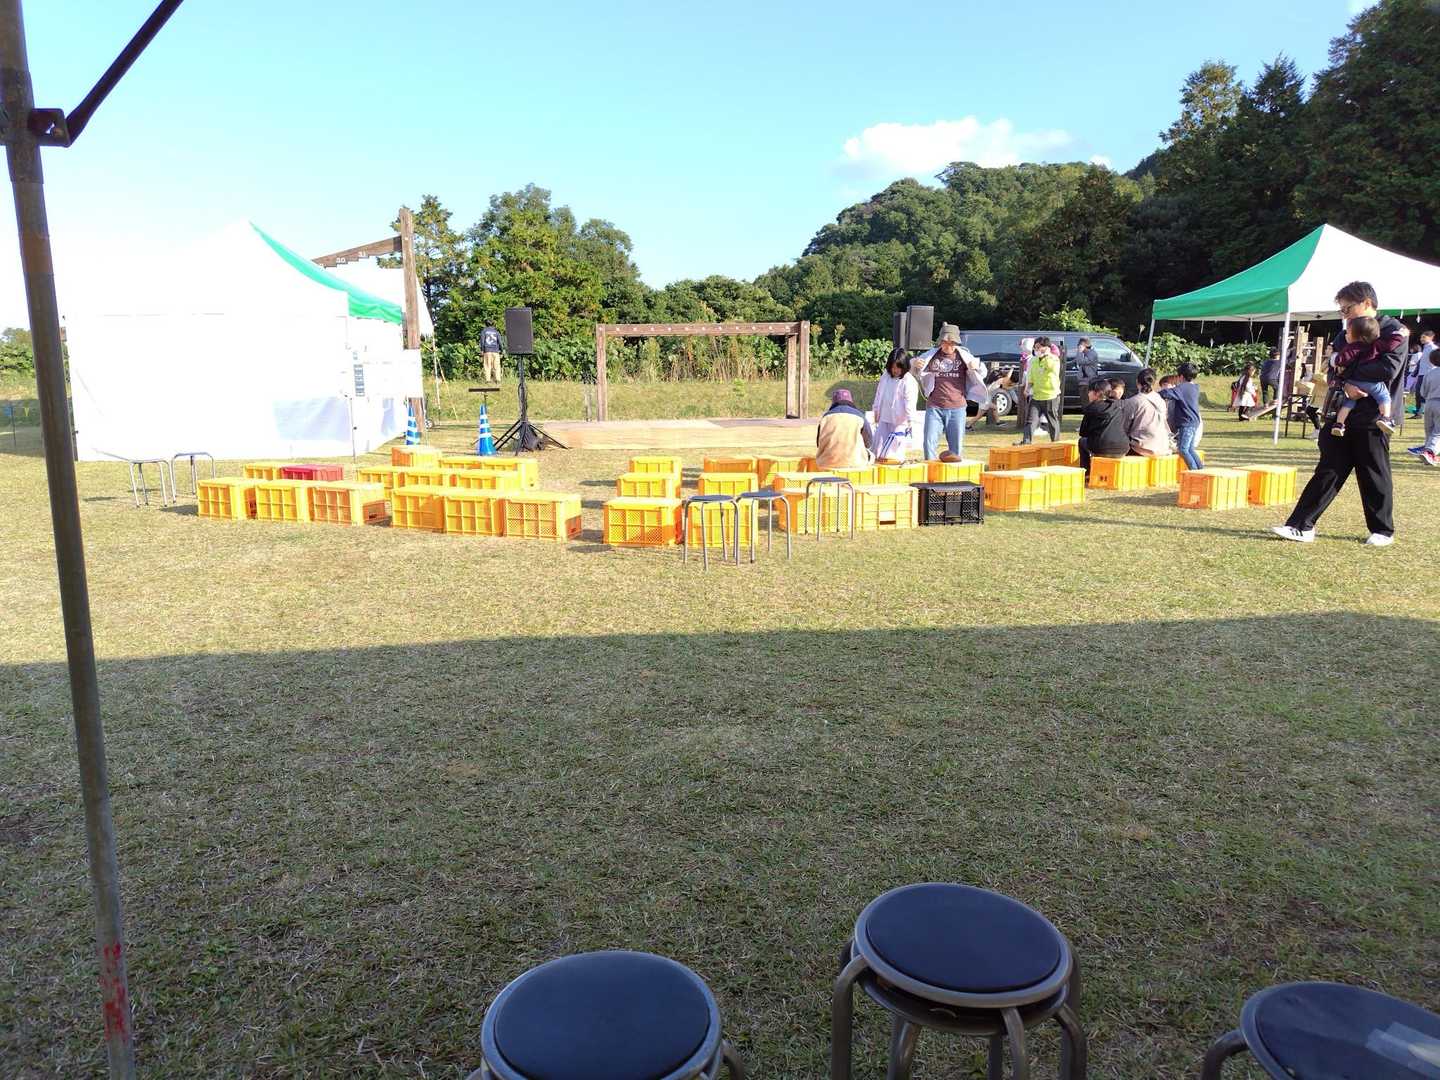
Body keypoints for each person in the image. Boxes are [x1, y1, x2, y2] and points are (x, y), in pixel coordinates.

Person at [1273, 281, 1408, 545]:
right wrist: (1345, 382)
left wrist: (1349, 372)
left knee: (1373, 472)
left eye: (1348, 309)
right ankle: (1301, 526)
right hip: (1342, 413)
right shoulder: (1345, 332)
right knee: (1328, 469)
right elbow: (1332, 368)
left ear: (1366, 303)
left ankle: (1382, 531)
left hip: (1376, 416)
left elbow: (1387, 369)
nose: (1345, 316)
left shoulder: (1393, 330)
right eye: (1342, 311)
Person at [916, 324, 984, 460]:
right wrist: (915, 364)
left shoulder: (964, 355)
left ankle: (954, 472)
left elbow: (983, 371)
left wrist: (977, 367)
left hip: (957, 407)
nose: (948, 346)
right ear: (940, 342)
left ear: (957, 342)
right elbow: (913, 366)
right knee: (929, 443)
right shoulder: (931, 355)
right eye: (945, 342)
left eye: (952, 343)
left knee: (956, 448)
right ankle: (930, 471)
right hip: (934, 407)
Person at [1329, 316, 1398, 437]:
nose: (1346, 335)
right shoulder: (1375, 345)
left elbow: (1339, 360)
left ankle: (1339, 424)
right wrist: (1399, 335)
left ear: (1357, 336)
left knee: (1348, 403)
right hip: (1371, 381)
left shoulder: (1351, 348)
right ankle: (1385, 418)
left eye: (1348, 333)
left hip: (1352, 381)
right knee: (1384, 396)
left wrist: (1333, 358)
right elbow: (1390, 345)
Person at [872, 348, 920, 461]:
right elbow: (879, 395)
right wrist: (876, 410)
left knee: (893, 454)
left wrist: (910, 422)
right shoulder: (885, 377)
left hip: (900, 422)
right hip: (884, 418)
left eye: (898, 367)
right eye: (893, 367)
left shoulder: (909, 381)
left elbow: (910, 403)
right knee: (878, 450)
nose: (895, 370)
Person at [1077, 377, 1129, 475]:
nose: (1088, 394)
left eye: (1089, 392)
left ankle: (1087, 473)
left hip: (1102, 448)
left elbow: (1083, 433)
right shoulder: (1118, 406)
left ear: (1097, 393)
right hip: (1123, 447)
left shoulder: (1091, 408)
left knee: (1082, 441)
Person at [1018, 336, 1062, 444]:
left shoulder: (1054, 359)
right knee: (1030, 420)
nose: (1037, 350)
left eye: (1039, 347)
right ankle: (1026, 442)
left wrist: (1046, 355)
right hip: (1036, 395)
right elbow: (1031, 376)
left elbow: (1051, 367)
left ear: (1046, 347)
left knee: (1052, 421)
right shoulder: (1034, 360)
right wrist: (1027, 388)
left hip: (1051, 396)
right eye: (1035, 347)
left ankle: (1055, 443)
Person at [1160, 362, 1204, 470]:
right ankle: (1200, 469)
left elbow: (1166, 394)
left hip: (1186, 423)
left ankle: (1194, 471)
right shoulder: (1195, 387)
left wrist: (1155, 394)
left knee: (1183, 449)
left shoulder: (1182, 388)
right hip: (1194, 421)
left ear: (1181, 376)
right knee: (1190, 449)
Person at [815, 388, 873, 468]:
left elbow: (818, 443)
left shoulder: (825, 417)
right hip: (855, 463)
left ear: (833, 402)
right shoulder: (860, 416)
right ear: (850, 401)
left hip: (826, 463)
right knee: (871, 455)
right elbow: (868, 443)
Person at [1124, 367, 1171, 456]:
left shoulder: (1133, 401)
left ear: (1137, 382)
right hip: (1162, 446)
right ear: (1154, 383)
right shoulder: (1160, 400)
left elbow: (1125, 426)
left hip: (1142, 448)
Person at [1412, 359, 1440, 465]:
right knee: (1438, 432)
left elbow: (1423, 392)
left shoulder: (1430, 372)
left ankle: (1429, 456)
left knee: (1429, 430)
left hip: (1429, 403)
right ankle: (1429, 452)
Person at [1411, 329, 1436, 417]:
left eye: (1424, 337)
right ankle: (1419, 412)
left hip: (1430, 374)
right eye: (1421, 337)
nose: (1421, 339)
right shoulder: (1425, 348)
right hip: (1422, 374)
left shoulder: (1433, 348)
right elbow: (1421, 362)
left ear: (1431, 337)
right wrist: (1416, 372)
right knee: (1419, 393)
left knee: (1427, 394)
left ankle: (1422, 412)